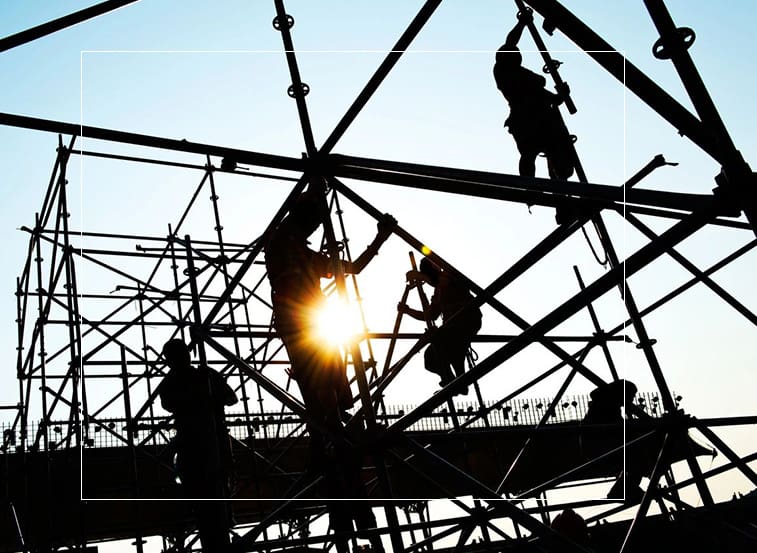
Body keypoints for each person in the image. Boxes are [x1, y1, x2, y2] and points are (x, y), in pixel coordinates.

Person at [264, 182, 395, 437]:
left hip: (310, 320)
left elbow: (353, 267)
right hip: (301, 322)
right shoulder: (282, 244)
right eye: (314, 222)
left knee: (326, 377)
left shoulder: (303, 254)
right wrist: (316, 191)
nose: (316, 228)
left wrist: (380, 237)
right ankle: (334, 428)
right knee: (321, 377)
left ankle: (333, 427)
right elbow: (353, 266)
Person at [158, 338, 238, 551]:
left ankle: (219, 531)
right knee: (208, 503)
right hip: (196, 444)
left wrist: (210, 395)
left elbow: (231, 398)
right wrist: (202, 396)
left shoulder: (204, 375)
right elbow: (169, 403)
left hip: (207, 442)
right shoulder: (189, 378)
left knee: (213, 502)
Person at [493, 8, 575, 181]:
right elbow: (510, 43)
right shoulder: (505, 72)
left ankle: (553, 187)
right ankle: (532, 187)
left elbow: (543, 95)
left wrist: (559, 96)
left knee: (548, 153)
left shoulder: (518, 73)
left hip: (538, 116)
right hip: (528, 118)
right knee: (533, 153)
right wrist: (521, 24)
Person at [398, 257, 482, 394]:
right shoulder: (438, 291)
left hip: (466, 321)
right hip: (451, 329)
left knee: (445, 346)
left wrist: (419, 276)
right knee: (431, 358)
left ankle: (458, 382)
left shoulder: (449, 275)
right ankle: (454, 382)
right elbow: (431, 315)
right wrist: (408, 311)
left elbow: (442, 281)